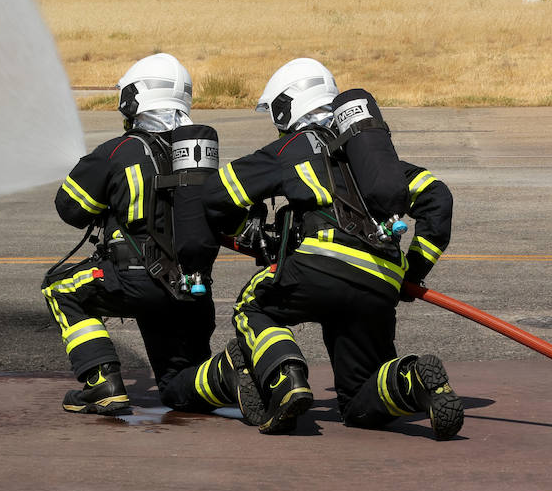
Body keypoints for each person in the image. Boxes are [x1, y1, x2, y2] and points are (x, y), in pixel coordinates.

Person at [188, 57, 463, 438]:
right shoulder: (375, 161)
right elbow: (437, 198)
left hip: (320, 266)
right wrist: (412, 271)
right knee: (359, 400)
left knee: (253, 307)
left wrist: (249, 232)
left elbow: (217, 194)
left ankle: (285, 378)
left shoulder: (290, 148)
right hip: (379, 283)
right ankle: (413, 380)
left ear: (286, 108)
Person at [44, 53, 239, 415]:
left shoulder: (119, 151)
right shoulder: (196, 158)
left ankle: (101, 382)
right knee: (178, 388)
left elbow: (70, 209)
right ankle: (231, 374)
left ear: (134, 99)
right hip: (193, 291)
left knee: (60, 288)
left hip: (138, 283)